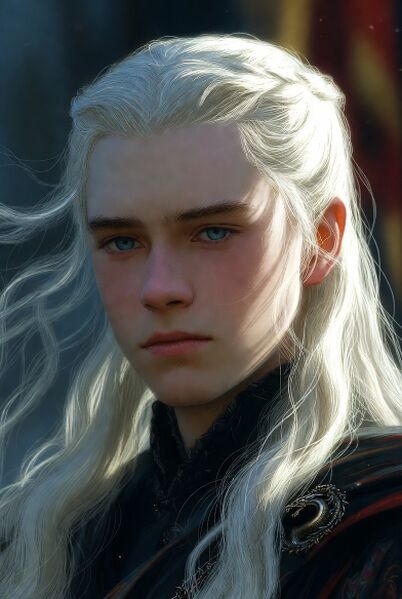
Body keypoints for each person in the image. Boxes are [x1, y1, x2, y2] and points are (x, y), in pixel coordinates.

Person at [0, 32, 401, 599]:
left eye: (213, 232)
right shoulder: (54, 543)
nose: (158, 289)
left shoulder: (381, 536)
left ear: (320, 240)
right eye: (121, 241)